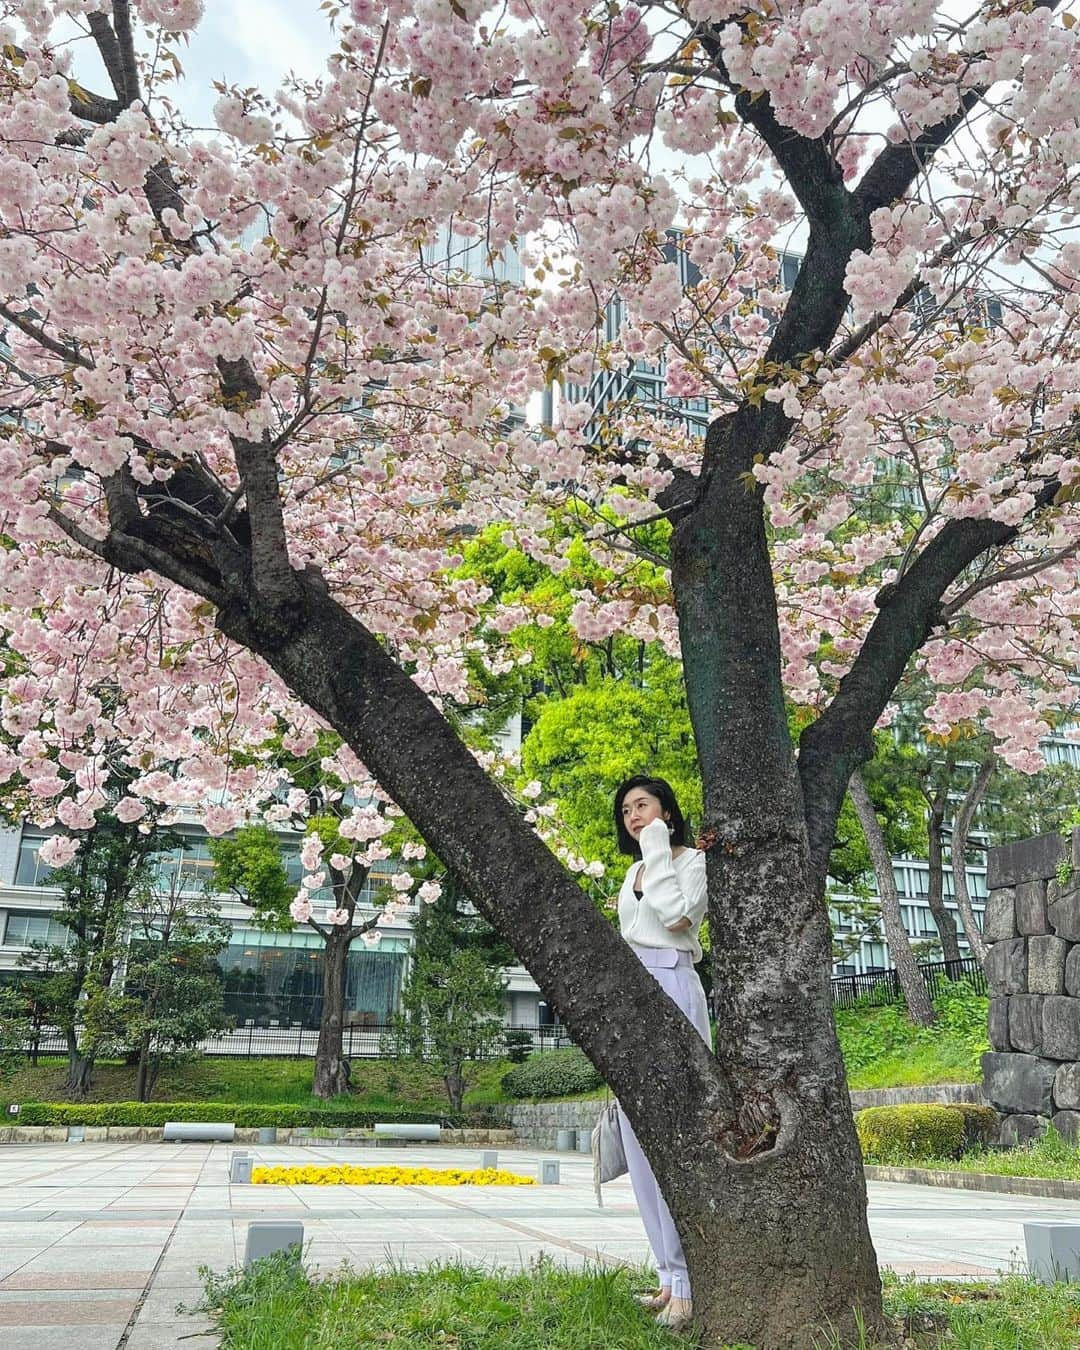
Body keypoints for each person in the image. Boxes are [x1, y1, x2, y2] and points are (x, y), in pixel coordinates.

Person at [611, 774, 710, 1333]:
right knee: (638, 1135)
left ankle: (692, 1282)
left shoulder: (691, 861)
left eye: (642, 805)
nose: (632, 815)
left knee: (678, 1130)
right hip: (633, 991)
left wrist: (657, 846)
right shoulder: (632, 872)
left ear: (667, 811)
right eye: (626, 810)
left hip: (674, 983)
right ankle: (668, 1275)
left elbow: (676, 918)